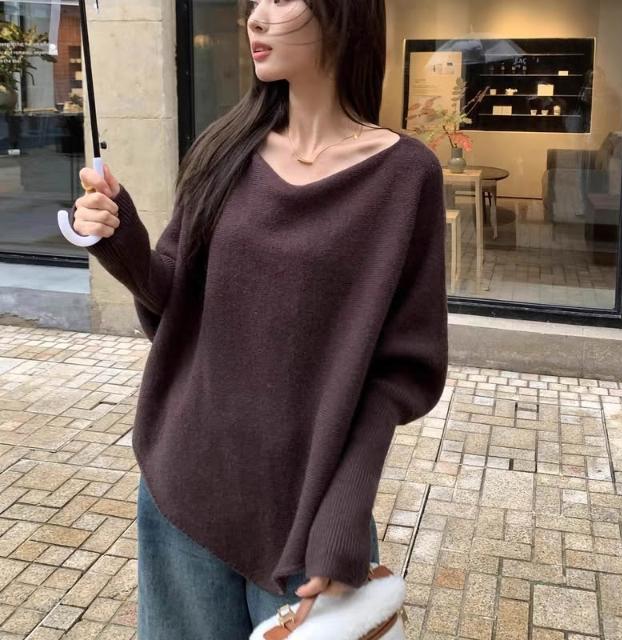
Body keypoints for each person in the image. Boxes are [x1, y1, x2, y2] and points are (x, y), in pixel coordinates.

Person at [69, 0, 448, 638]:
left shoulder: (405, 175)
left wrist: (344, 515)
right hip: (187, 482)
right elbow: (174, 298)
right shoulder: (224, 149)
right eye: (254, 1)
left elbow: (401, 371)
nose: (255, 18)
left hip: (312, 507)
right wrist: (118, 236)